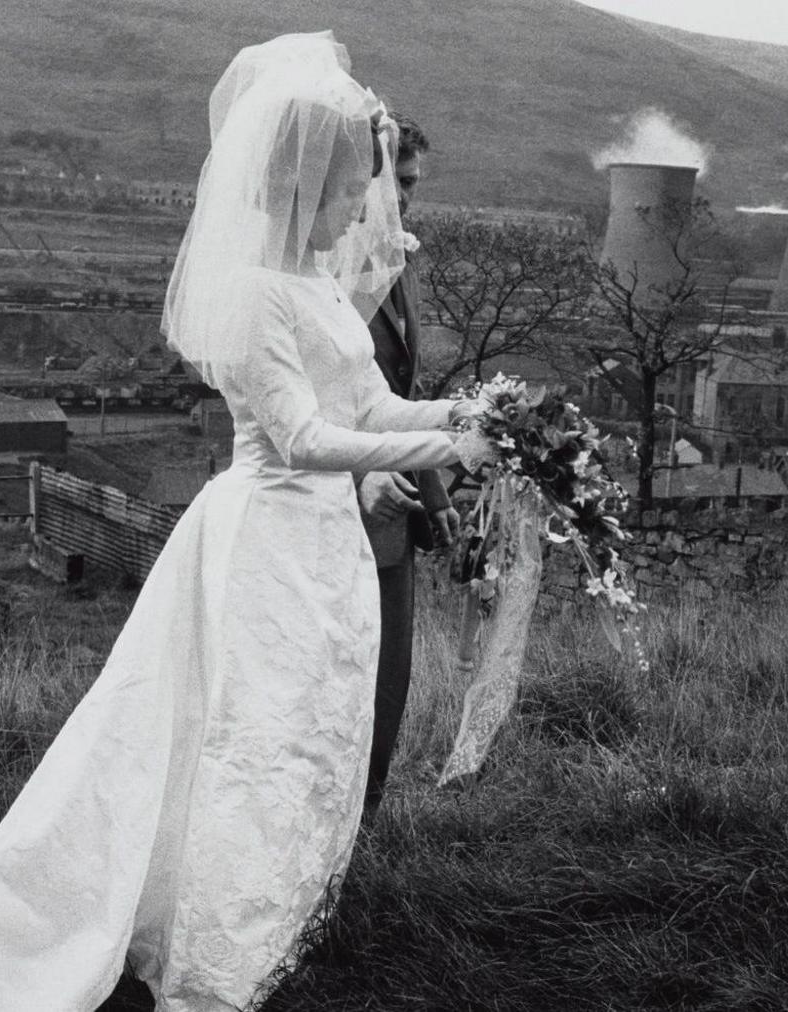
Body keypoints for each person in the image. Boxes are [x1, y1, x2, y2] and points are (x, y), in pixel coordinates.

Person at [0, 32, 475, 1012]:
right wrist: (440, 448)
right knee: (248, 741)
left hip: (325, 552)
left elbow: (370, 407)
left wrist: (460, 422)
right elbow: (308, 438)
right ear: (309, 183)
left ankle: (273, 921)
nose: (369, 207)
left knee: (304, 737)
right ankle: (211, 967)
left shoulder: (317, 287)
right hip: (267, 540)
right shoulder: (258, 296)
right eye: (356, 187)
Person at [357, 115, 457, 818]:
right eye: (402, 182)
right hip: (338, 498)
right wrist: (359, 474)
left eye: (417, 183)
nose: (411, 199)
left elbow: (402, 393)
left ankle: (369, 816)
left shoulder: (404, 260)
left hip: (398, 498)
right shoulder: (320, 264)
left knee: (391, 673)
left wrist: (436, 489)